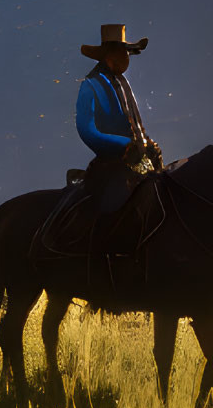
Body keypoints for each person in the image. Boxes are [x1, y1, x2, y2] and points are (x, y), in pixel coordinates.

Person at [34, 24, 163, 261]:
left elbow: (135, 122)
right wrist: (123, 145)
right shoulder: (90, 85)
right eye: (122, 52)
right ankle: (103, 260)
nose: (126, 58)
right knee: (112, 207)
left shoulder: (124, 85)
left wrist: (147, 144)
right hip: (110, 166)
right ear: (108, 54)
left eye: (128, 52)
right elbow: (87, 130)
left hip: (138, 162)